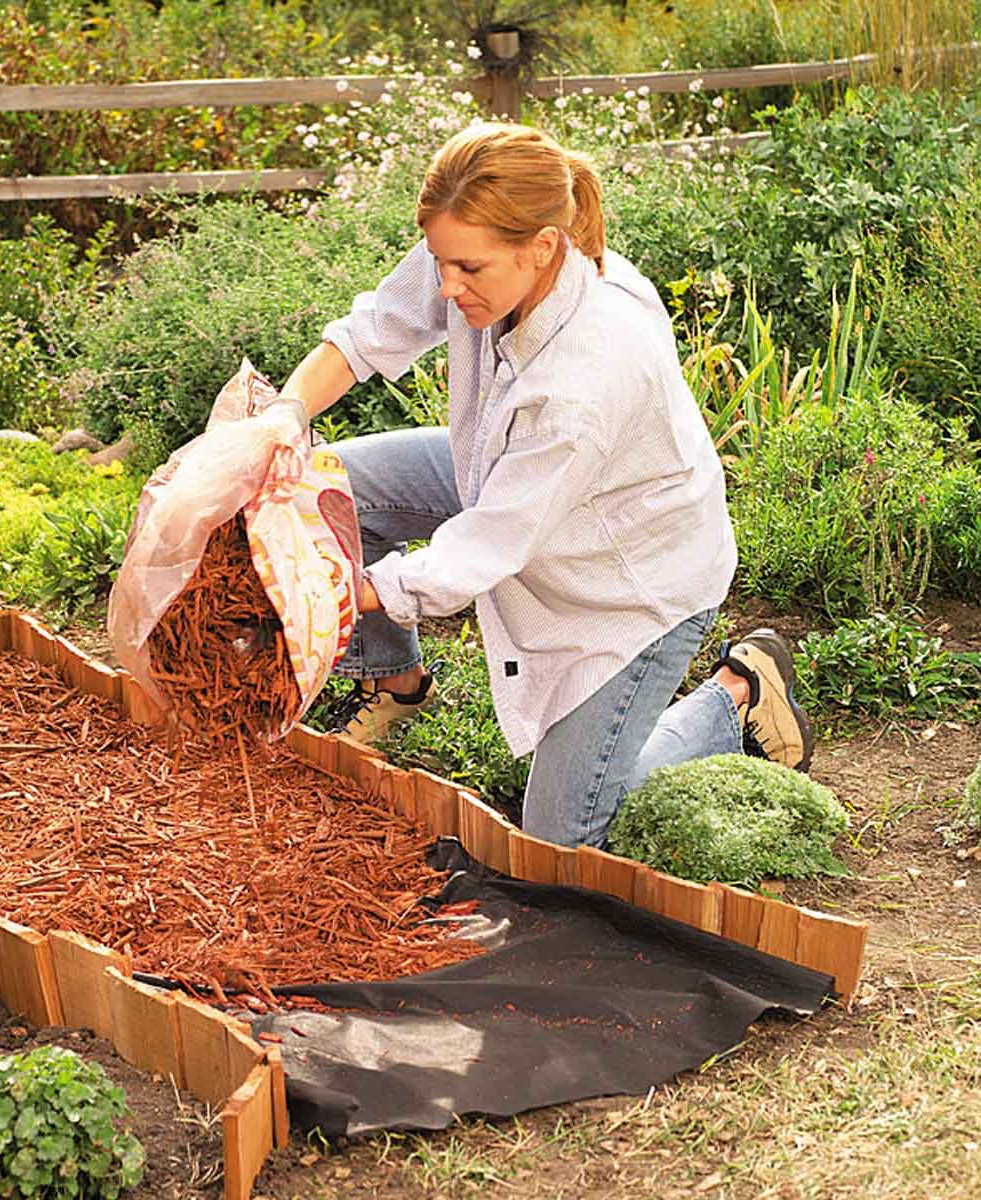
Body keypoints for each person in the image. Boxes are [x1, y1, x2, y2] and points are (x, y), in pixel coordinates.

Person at [274, 121, 813, 849]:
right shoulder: (478, 245)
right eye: (440, 261)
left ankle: (733, 698)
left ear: (543, 247)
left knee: (564, 834)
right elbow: (372, 333)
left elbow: (486, 546)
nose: (446, 286)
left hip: (632, 574)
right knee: (320, 486)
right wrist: (280, 419)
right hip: (513, 478)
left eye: (467, 270)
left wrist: (332, 592)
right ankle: (396, 684)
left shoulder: (585, 374)